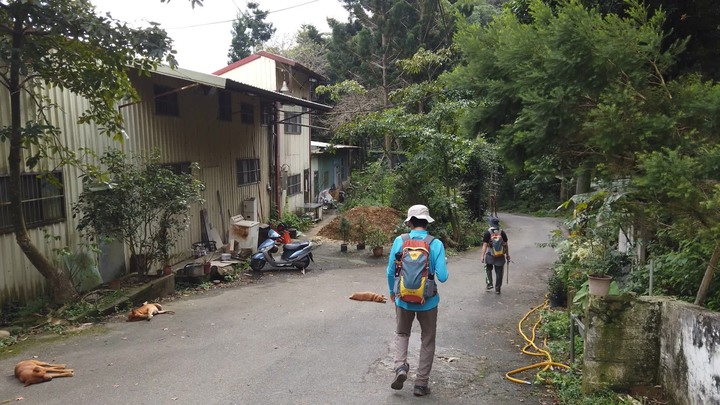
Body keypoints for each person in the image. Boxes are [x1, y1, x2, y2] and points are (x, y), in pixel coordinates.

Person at [386, 204, 448, 397]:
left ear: (410, 222)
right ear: (426, 222)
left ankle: (401, 367)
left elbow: (390, 271)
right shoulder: (435, 243)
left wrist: (392, 292)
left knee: (402, 333)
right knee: (427, 339)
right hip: (428, 301)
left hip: (403, 299)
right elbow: (444, 277)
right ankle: (421, 384)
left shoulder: (400, 240)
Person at [481, 217, 510, 294]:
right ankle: (497, 289)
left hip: (490, 255)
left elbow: (484, 245)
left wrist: (482, 256)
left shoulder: (488, 232)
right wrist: (507, 255)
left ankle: (489, 283)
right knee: (499, 272)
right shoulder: (502, 232)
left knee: (487, 268)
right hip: (500, 256)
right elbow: (505, 245)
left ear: (491, 224)